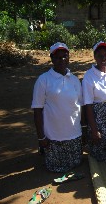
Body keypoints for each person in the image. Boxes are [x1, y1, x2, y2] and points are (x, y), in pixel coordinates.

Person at [31, 42, 83, 172]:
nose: (62, 60)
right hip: (53, 138)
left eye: (65, 56)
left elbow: (80, 106)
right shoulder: (43, 80)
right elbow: (37, 110)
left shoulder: (75, 80)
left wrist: (84, 130)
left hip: (74, 135)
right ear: (52, 59)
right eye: (58, 57)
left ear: (69, 57)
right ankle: (44, 150)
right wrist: (41, 137)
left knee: (76, 164)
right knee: (55, 168)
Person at [82, 41, 106, 161]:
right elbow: (87, 106)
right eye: (100, 55)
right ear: (95, 57)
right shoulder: (89, 76)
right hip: (99, 124)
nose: (104, 58)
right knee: (102, 157)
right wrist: (94, 130)